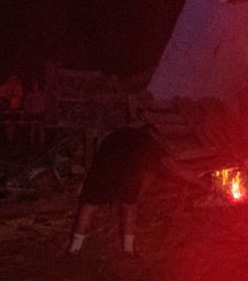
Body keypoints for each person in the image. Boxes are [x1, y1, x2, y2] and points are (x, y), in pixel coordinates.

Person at [69, 95, 204, 257]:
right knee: (129, 207)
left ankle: (75, 249)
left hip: (103, 168)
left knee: (90, 206)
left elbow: (100, 155)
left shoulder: (115, 135)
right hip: (127, 173)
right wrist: (202, 183)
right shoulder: (149, 142)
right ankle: (128, 249)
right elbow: (175, 168)